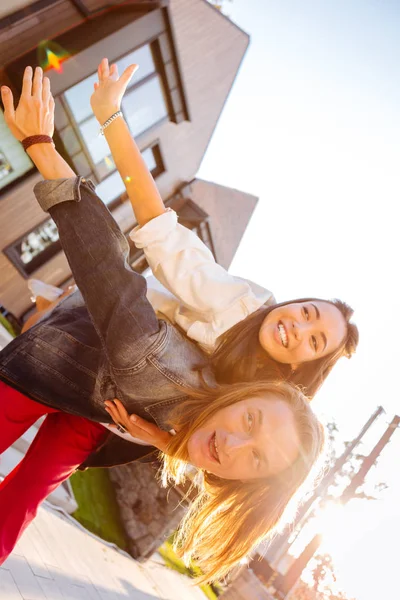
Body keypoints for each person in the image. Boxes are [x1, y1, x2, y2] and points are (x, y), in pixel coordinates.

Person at [0, 65, 325, 582]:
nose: (297, 329)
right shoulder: (236, 310)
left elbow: (222, 447)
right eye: (306, 313)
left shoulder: (270, 416)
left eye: (314, 342)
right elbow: (140, 245)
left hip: (104, 414)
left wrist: (166, 441)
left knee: (29, 489)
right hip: (81, 356)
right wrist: (77, 131)